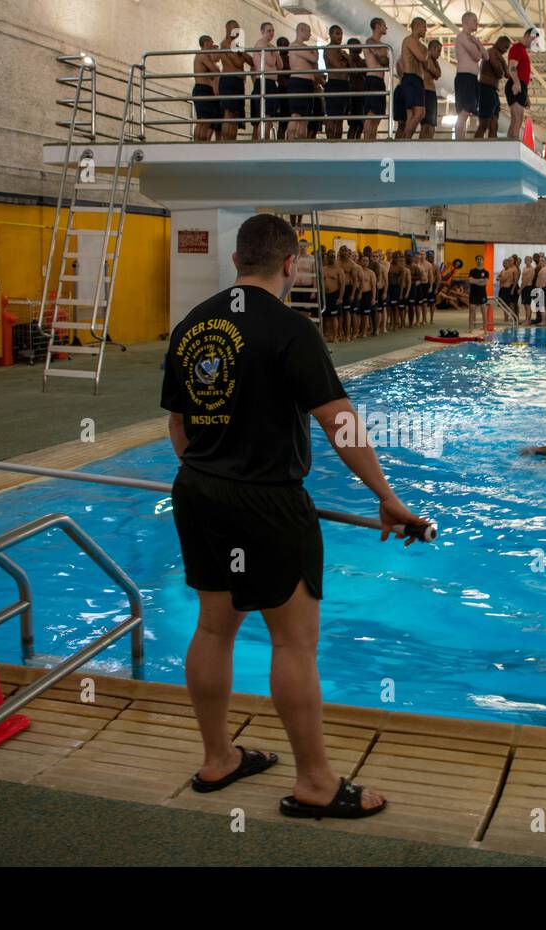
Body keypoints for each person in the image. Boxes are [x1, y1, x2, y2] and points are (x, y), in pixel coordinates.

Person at [161, 213, 423, 819]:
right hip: (268, 502)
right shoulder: (291, 329)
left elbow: (177, 423)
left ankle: (218, 758)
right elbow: (339, 422)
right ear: (292, 264)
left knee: (212, 628)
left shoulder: (192, 325)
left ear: (235, 261)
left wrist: (212, 471)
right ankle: (314, 782)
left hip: (197, 490)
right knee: (295, 644)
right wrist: (385, 494)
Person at [218, 20, 253, 141]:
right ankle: (226, 141)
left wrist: (241, 52)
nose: (237, 32)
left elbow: (251, 61)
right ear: (228, 29)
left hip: (237, 82)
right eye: (234, 29)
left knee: (235, 113)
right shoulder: (226, 44)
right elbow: (238, 62)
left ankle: (232, 140)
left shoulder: (236, 45)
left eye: (238, 29)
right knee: (228, 112)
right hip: (229, 80)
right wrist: (242, 53)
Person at [396, 17, 430, 139]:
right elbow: (422, 59)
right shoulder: (408, 40)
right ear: (417, 25)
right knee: (420, 113)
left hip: (418, 80)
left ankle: (406, 140)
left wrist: (425, 61)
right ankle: (405, 138)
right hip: (410, 78)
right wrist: (402, 77)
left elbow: (427, 65)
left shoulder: (423, 47)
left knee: (411, 115)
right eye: (424, 26)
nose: (426, 29)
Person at [453, 12, 484, 139]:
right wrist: (477, 45)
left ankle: (461, 140)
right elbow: (477, 56)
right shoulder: (462, 37)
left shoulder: (469, 39)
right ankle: (459, 141)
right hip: (464, 77)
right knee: (464, 112)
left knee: (467, 112)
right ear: (466, 22)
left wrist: (477, 44)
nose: (477, 23)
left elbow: (483, 55)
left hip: (471, 78)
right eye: (474, 20)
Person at [287, 23, 319, 140]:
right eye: (308, 31)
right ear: (301, 30)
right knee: (296, 113)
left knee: (305, 115)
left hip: (307, 83)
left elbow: (314, 63)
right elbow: (313, 59)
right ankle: (290, 138)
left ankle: (302, 139)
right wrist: (314, 52)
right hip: (298, 82)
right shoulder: (295, 46)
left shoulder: (304, 47)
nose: (310, 34)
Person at [362, 17, 390, 140]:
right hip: (372, 79)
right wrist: (383, 56)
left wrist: (383, 56)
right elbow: (384, 60)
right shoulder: (370, 41)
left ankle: (372, 139)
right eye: (384, 25)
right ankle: (367, 140)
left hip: (380, 80)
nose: (386, 28)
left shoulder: (382, 45)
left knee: (378, 114)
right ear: (378, 26)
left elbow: (385, 61)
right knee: (371, 113)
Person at [249, 22, 278, 141]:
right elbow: (271, 62)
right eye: (268, 31)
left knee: (269, 116)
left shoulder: (270, 46)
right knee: (264, 116)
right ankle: (263, 140)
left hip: (270, 83)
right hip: (263, 82)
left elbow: (280, 65)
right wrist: (275, 53)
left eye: (272, 30)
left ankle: (265, 139)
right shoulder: (261, 44)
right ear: (262, 32)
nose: (271, 33)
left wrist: (274, 51)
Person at [192, 36, 222, 142]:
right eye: (211, 42)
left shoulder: (201, 55)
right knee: (204, 120)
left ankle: (199, 142)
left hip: (204, 88)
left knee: (205, 121)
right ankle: (199, 143)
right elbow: (215, 70)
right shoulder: (203, 55)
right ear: (206, 42)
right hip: (203, 88)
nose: (213, 44)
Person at [478, 36, 510, 138]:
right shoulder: (491, 52)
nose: (505, 51)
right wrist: (503, 63)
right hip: (485, 89)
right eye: (505, 47)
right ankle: (475, 149)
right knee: (484, 124)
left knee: (494, 124)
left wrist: (503, 63)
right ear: (500, 43)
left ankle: (492, 150)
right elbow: (500, 72)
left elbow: (505, 73)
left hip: (492, 91)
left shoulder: (496, 54)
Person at [505, 28, 533, 139]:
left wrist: (526, 95)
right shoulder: (517, 48)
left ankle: (510, 145)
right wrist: (516, 83)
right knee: (517, 120)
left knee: (516, 120)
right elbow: (512, 67)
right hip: (516, 84)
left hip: (520, 85)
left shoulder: (522, 50)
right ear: (528, 36)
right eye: (534, 40)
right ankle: (513, 146)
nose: (535, 44)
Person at [323, 25, 349, 142]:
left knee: (340, 118)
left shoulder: (342, 51)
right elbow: (338, 67)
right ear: (331, 35)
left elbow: (353, 68)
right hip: (334, 83)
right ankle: (330, 142)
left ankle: (338, 142)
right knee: (332, 116)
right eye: (337, 34)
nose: (340, 36)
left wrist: (347, 57)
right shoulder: (329, 49)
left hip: (344, 84)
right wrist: (345, 59)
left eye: (341, 34)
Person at [421, 39, 443, 139]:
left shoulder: (435, 62)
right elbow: (434, 72)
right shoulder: (424, 55)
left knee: (432, 126)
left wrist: (431, 69)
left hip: (432, 93)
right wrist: (432, 69)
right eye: (438, 51)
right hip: (425, 91)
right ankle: (420, 150)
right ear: (432, 48)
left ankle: (428, 150)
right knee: (425, 125)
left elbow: (438, 74)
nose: (439, 54)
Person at [467, 253, 489, 331]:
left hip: (482, 294)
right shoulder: (472, 271)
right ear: (476, 261)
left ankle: (485, 328)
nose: (479, 261)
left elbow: (485, 283)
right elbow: (470, 281)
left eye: (481, 259)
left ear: (483, 261)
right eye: (478, 259)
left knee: (484, 313)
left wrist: (475, 281)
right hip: (473, 293)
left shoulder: (486, 272)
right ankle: (470, 328)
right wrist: (480, 280)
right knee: (471, 312)